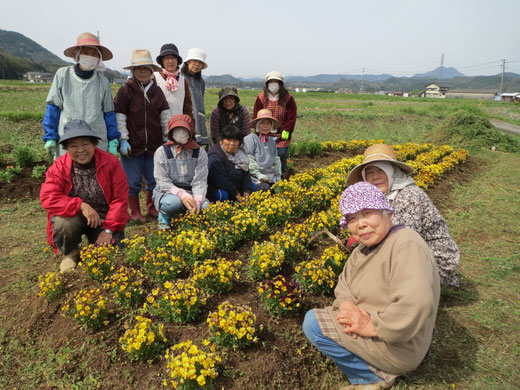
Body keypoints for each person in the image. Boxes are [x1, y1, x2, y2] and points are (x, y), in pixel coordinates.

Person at [303, 182, 440, 390]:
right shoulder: (363, 249)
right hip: (380, 329)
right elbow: (344, 282)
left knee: (313, 323)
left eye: (367, 213)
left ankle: (371, 377)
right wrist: (346, 304)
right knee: (329, 317)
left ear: (387, 212)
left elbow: (416, 303)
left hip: (399, 344)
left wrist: (372, 326)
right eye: (352, 219)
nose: (361, 224)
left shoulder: (405, 244)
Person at [346, 143, 460, 287]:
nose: (375, 177)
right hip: (409, 256)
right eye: (370, 173)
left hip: (435, 262)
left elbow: (402, 242)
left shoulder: (409, 195)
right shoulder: (381, 196)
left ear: (392, 172)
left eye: (380, 171)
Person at [40, 120, 129, 272]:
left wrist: (108, 230)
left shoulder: (111, 162)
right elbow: (48, 196)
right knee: (62, 222)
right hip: (75, 216)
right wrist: (81, 205)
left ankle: (96, 241)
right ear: (66, 148)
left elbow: (120, 199)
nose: (80, 150)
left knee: (112, 259)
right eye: (73, 145)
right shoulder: (59, 166)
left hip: (104, 219)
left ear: (94, 144)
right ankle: (70, 253)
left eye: (85, 144)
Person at [114, 49, 171, 223]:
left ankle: (151, 206)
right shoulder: (126, 90)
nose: (143, 71)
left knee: (154, 179)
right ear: (133, 70)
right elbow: (120, 117)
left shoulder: (157, 91)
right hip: (133, 145)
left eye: (146, 68)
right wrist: (123, 139)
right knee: (132, 181)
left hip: (154, 145)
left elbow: (165, 116)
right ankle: (135, 211)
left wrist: (167, 137)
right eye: (139, 68)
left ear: (151, 70)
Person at [42, 32, 119, 159]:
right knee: (67, 172)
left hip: (96, 136)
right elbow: (53, 107)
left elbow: (109, 112)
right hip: (68, 135)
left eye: (94, 54)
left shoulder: (103, 81)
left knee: (96, 173)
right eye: (86, 53)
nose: (90, 57)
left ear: (99, 58)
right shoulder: (63, 75)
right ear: (78, 55)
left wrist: (113, 139)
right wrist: (50, 136)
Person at [153, 114, 209, 230]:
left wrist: (197, 200)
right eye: (176, 130)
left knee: (207, 208)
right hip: (168, 192)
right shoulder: (162, 151)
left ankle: (188, 213)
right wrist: (181, 194)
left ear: (190, 132)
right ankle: (164, 216)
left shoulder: (199, 153)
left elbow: (200, 180)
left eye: (184, 130)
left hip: (192, 190)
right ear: (171, 133)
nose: (180, 133)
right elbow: (162, 180)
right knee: (172, 204)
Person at [253, 71, 297, 174]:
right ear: (267, 84)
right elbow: (256, 115)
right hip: (264, 132)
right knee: (265, 155)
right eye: (270, 82)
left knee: (281, 154)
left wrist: (286, 130)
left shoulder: (288, 98)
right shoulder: (261, 98)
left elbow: (292, 116)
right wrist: (258, 131)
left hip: (281, 134)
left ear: (281, 84)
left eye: (276, 82)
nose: (273, 84)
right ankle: (266, 176)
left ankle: (281, 176)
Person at [207, 124, 255, 202]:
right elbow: (222, 180)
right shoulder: (214, 156)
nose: (232, 144)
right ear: (221, 140)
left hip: (237, 186)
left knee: (255, 188)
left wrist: (247, 191)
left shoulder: (240, 154)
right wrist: (237, 196)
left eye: (235, 140)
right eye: (228, 140)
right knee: (223, 195)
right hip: (219, 188)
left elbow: (246, 174)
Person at [243, 109, 282, 190]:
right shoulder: (250, 139)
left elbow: (276, 160)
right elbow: (248, 159)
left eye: (268, 123)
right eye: (262, 123)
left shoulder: (272, 141)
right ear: (258, 125)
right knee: (265, 189)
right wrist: (258, 175)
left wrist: (278, 175)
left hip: (271, 176)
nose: (265, 126)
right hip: (255, 178)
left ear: (271, 126)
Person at [154, 43, 193, 119]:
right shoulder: (155, 77)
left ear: (177, 61)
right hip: (159, 125)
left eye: (173, 58)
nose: (170, 61)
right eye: (167, 58)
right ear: (162, 61)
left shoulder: (183, 80)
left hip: (178, 124)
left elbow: (187, 107)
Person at [181, 48, 209, 147]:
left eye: (200, 62)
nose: (197, 64)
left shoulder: (201, 82)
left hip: (198, 121)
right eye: (195, 61)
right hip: (183, 120)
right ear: (188, 61)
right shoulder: (180, 77)